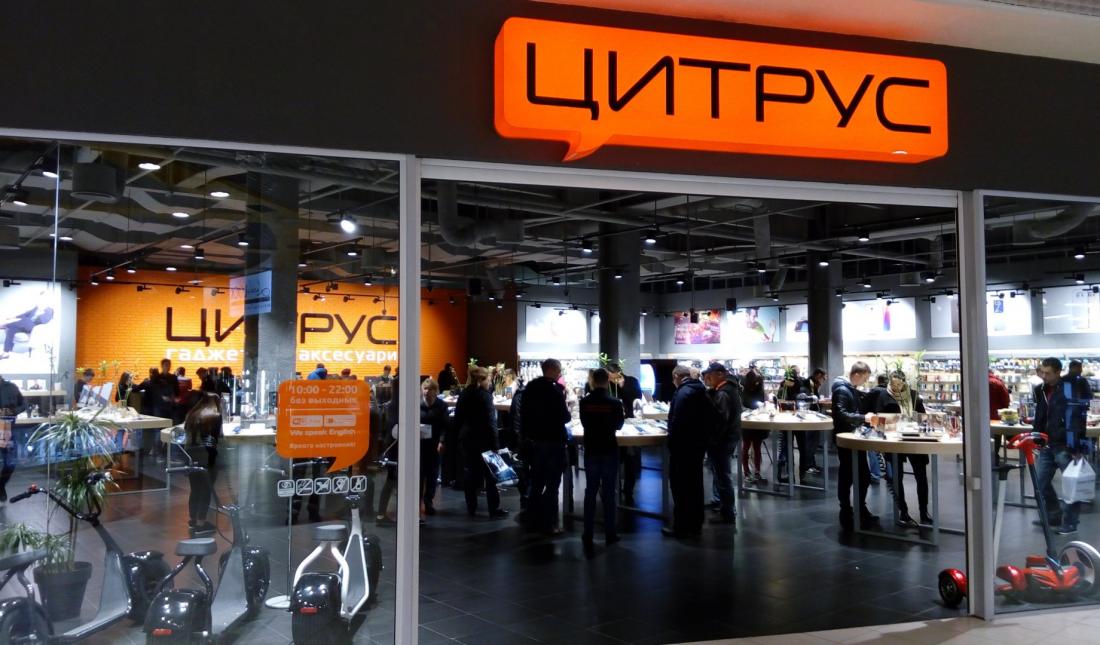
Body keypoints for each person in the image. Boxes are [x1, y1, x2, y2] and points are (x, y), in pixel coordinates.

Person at [1033, 357, 1090, 535]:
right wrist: (1037, 436)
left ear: (1058, 372)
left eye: (1048, 373)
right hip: (1047, 443)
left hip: (1065, 445)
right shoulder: (1040, 389)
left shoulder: (1070, 388)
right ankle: (1054, 514)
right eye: (1042, 372)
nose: (1044, 376)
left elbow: (1078, 418)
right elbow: (1041, 414)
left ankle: (1071, 523)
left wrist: (1077, 446)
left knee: (1072, 484)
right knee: (1040, 483)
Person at [869, 370, 930, 528]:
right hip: (894, 441)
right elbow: (878, 421)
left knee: (921, 476)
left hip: (914, 439)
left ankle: (924, 511)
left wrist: (915, 422)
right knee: (897, 477)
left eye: (899, 383)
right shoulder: (884, 396)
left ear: (904, 382)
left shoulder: (913, 395)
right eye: (893, 383)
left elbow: (923, 417)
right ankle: (903, 511)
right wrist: (890, 425)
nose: (896, 387)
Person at [662, 365, 717, 538]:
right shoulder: (701, 390)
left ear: (676, 376)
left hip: (682, 446)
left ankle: (681, 526)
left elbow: (677, 420)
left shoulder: (683, 393)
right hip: (698, 445)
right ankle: (695, 523)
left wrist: (671, 441)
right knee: (695, 485)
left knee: (680, 486)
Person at [520, 358, 571, 534]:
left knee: (536, 483)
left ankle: (532, 522)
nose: (560, 373)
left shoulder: (530, 388)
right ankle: (550, 524)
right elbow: (565, 417)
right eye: (559, 370)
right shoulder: (555, 390)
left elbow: (524, 414)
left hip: (536, 442)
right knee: (552, 485)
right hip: (554, 442)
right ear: (552, 370)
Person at [579, 368, 624, 546]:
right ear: (607, 381)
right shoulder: (614, 402)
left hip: (591, 449)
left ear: (593, 381)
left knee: (590, 491)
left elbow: (584, 423)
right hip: (609, 448)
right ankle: (610, 533)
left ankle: (587, 533)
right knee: (609, 492)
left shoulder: (584, 402)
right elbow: (619, 425)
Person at [454, 367, 507, 518]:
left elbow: (458, 419)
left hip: (468, 440)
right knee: (490, 475)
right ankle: (493, 508)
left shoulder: (464, 394)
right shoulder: (485, 397)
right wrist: (496, 445)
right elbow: (491, 422)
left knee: (471, 474)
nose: (490, 383)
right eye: (488, 380)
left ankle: (471, 507)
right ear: (481, 380)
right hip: (485, 440)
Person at [834, 361, 878, 532]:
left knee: (861, 475)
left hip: (853, 438)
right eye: (865, 378)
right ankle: (847, 508)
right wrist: (863, 418)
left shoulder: (848, 389)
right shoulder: (842, 390)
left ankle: (856, 508)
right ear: (857, 375)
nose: (865, 382)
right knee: (848, 474)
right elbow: (841, 414)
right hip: (847, 439)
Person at [703, 362, 741, 524]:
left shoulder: (724, 392)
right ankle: (724, 506)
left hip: (722, 441)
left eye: (710, 375)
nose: (707, 378)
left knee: (723, 476)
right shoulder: (729, 389)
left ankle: (727, 513)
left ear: (720, 374)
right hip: (728, 438)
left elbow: (720, 420)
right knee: (722, 475)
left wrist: (712, 439)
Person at [183, 392, 222, 535]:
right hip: (207, 456)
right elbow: (217, 438)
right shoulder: (214, 416)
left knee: (195, 489)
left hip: (191, 455)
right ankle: (201, 522)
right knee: (206, 490)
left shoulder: (192, 414)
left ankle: (193, 519)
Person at [605, 362, 644, 506]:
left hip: (629, 423)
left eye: (611, 376)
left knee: (630, 459)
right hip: (612, 424)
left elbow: (637, 397)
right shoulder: (607, 384)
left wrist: (622, 386)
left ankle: (629, 490)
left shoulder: (631, 381)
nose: (610, 379)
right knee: (614, 458)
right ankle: (614, 487)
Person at [420, 378, 449, 516]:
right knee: (419, 474)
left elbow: (445, 426)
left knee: (432, 474)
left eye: (430, 389)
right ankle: (417, 501)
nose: (427, 391)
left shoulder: (441, 405)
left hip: (434, 444)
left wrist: (442, 441)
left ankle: (428, 501)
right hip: (419, 444)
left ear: (436, 391)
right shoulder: (416, 404)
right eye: (425, 389)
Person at [0, 375, 27, 502]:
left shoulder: (11, 387)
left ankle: (1, 485)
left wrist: (13, 411)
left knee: (10, 463)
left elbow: (24, 404)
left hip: (7, 431)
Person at [740, 367, 768, 483]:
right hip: (747, 422)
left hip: (757, 421)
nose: (757, 383)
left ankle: (757, 472)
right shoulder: (742, 390)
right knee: (746, 447)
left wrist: (762, 408)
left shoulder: (759, 389)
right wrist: (750, 411)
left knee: (757, 448)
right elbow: (741, 406)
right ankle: (747, 473)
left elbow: (762, 403)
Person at [864, 374, 891, 484]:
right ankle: (890, 475)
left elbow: (865, 406)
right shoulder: (891, 392)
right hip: (889, 420)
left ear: (878, 381)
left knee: (873, 448)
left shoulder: (873, 391)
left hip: (876, 419)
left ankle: (875, 474)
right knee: (888, 448)